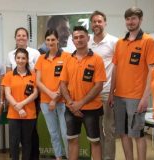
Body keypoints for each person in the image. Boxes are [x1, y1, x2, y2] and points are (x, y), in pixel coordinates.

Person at [108, 7, 154, 160]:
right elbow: (115, 69)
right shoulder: (120, 42)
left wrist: (145, 98)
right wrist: (111, 93)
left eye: (134, 18)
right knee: (123, 133)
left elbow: (152, 71)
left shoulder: (148, 41)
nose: (130, 22)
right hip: (119, 96)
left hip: (136, 97)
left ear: (140, 20)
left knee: (137, 134)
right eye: (128, 19)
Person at [60, 26, 106, 160]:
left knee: (95, 142)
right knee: (72, 141)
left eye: (81, 37)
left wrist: (80, 103)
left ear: (88, 38)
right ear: (72, 40)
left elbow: (99, 86)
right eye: (75, 37)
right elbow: (62, 84)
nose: (78, 40)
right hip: (71, 108)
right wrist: (70, 103)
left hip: (92, 109)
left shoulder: (97, 59)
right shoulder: (68, 59)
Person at [88, 10, 118, 160]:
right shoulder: (87, 42)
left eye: (99, 21)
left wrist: (113, 92)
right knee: (95, 132)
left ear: (105, 23)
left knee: (109, 131)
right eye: (94, 22)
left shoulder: (114, 42)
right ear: (91, 24)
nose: (97, 24)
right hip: (92, 94)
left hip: (107, 93)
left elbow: (118, 68)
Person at [6, 27, 41, 159]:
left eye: (24, 35)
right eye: (18, 35)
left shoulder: (35, 53)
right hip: (14, 102)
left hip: (30, 101)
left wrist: (22, 104)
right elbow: (7, 86)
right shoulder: (9, 57)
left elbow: (37, 86)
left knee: (29, 138)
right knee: (14, 141)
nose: (21, 37)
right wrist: (16, 105)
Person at [35, 29, 70, 160]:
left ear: (58, 40)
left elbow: (67, 80)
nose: (50, 42)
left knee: (65, 133)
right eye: (48, 40)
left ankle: (69, 156)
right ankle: (59, 157)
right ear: (45, 41)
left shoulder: (66, 56)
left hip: (62, 101)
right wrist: (50, 95)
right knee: (53, 133)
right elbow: (38, 81)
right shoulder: (41, 58)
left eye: (53, 40)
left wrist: (55, 98)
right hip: (45, 102)